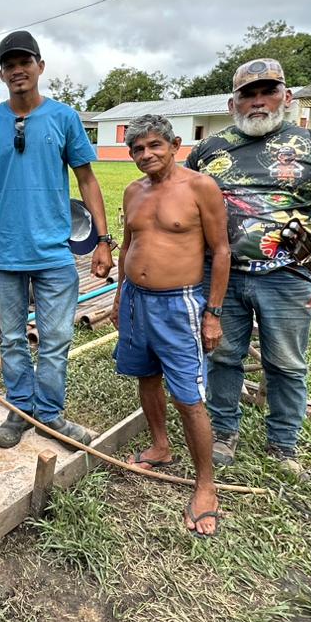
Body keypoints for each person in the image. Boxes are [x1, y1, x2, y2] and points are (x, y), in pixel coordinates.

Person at [186, 58, 311, 479]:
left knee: (286, 362)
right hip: (221, 275)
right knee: (223, 355)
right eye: (248, 94)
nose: (258, 101)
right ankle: (224, 433)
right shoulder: (209, 150)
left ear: (287, 97)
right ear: (233, 103)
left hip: (288, 275)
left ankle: (283, 445)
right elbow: (179, 205)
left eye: (268, 91)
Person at [0, 31, 114, 449]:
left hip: (54, 253)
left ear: (40, 67)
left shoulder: (63, 118)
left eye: (25, 62)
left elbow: (87, 179)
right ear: (1, 73)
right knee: (12, 339)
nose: (18, 70)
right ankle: (20, 411)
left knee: (55, 340)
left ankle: (50, 416)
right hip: (6, 253)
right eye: (9, 64)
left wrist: (103, 239)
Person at [112, 114, 231, 537]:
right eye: (137, 149)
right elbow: (129, 245)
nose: (145, 155)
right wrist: (118, 296)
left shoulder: (200, 187)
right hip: (134, 302)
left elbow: (220, 251)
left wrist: (212, 313)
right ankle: (161, 447)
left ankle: (205, 485)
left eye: (154, 146)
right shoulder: (133, 191)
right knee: (145, 377)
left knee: (188, 395)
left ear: (175, 144)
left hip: (178, 304)